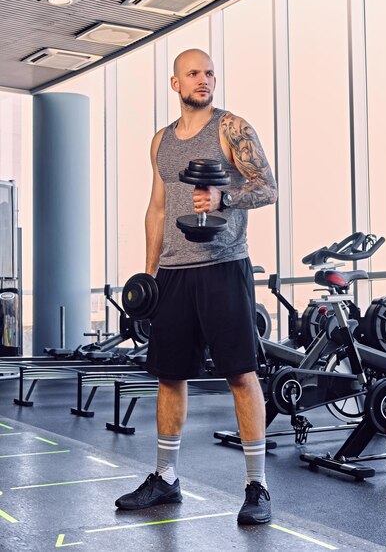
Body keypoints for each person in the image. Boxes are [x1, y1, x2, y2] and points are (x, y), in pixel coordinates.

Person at [115, 48, 277, 525]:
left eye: (209, 73)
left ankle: (257, 486)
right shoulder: (161, 141)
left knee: (240, 374)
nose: (203, 80)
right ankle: (165, 478)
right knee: (170, 375)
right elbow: (158, 208)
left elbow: (268, 186)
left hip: (225, 266)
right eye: (193, 74)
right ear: (175, 84)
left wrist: (226, 193)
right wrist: (149, 276)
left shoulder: (232, 128)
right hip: (174, 274)